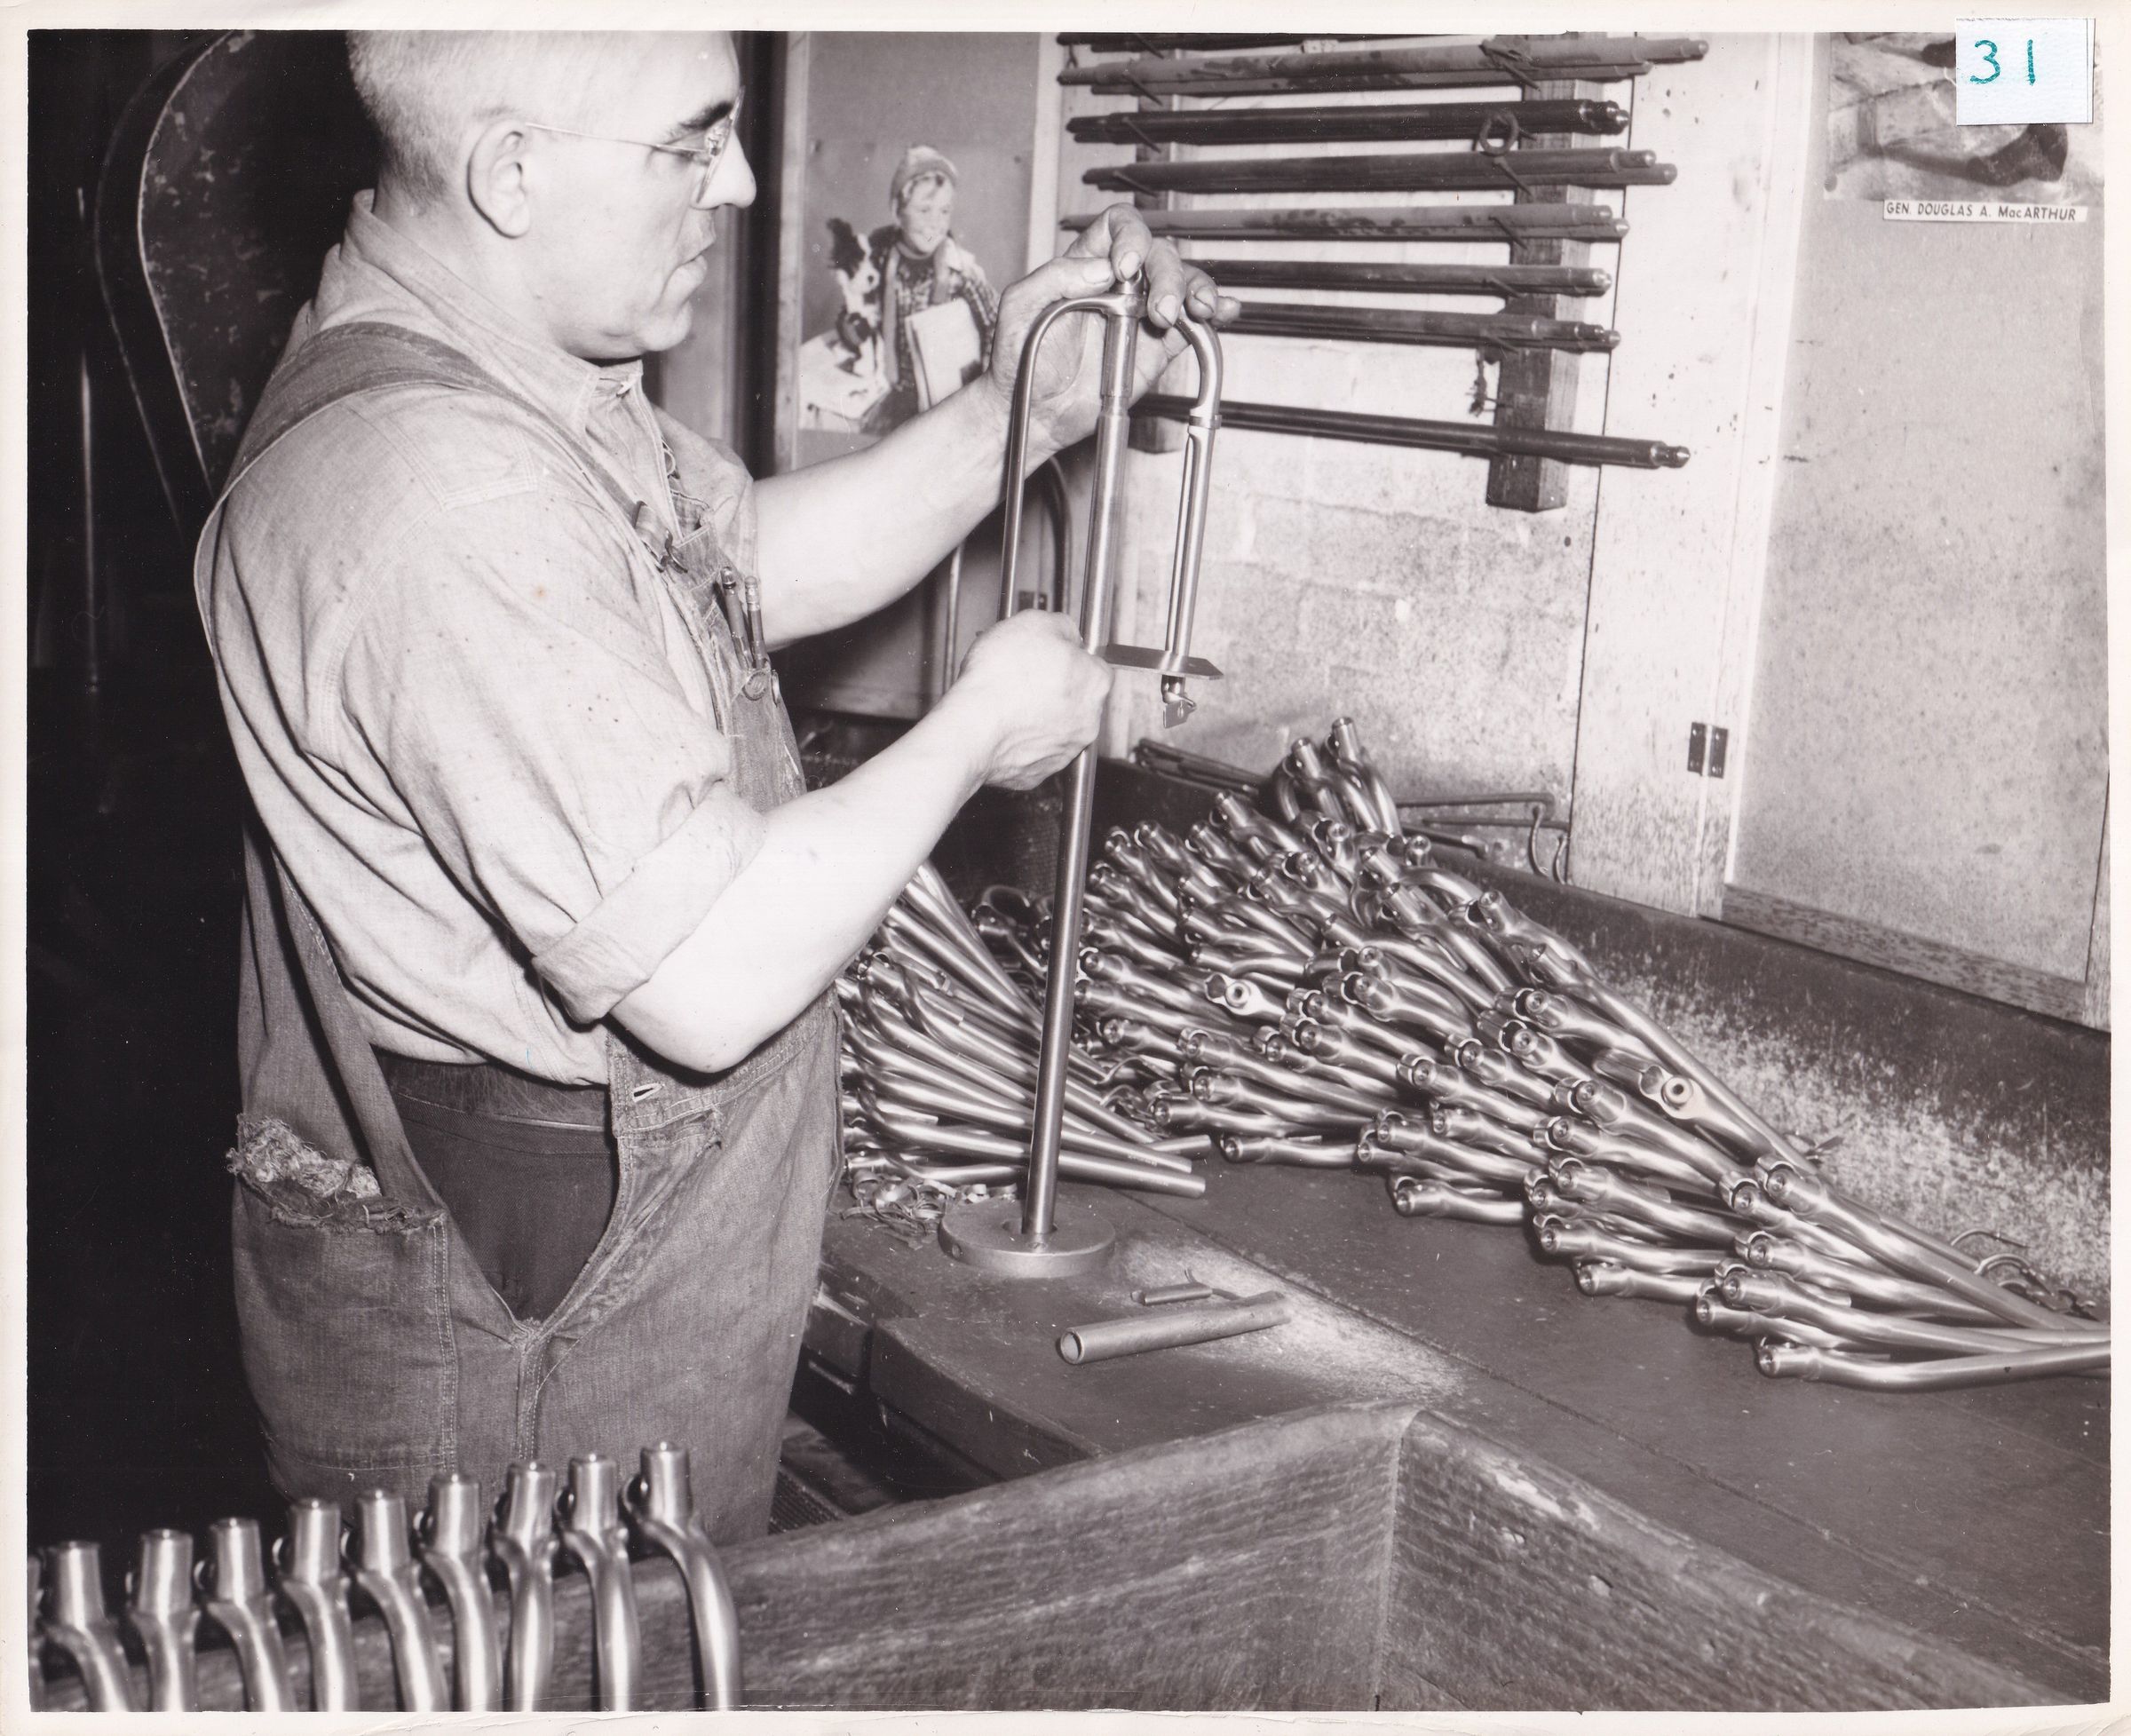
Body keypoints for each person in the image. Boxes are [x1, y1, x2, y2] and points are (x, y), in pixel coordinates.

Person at [192, 28, 1233, 1540]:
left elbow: (753, 564)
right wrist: (978, 728)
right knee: (575, 1650)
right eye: (691, 143)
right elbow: (708, 972)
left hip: (564, 1208)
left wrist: (1037, 403)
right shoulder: (438, 490)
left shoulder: (510, 379)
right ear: (511, 173)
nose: (740, 184)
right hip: (529, 1300)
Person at [867, 146, 998, 429]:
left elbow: (997, 324)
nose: (935, 223)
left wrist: (985, 382)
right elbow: (865, 312)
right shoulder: (880, 261)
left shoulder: (960, 271)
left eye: (944, 211)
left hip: (946, 400)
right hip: (896, 395)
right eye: (924, 210)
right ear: (897, 212)